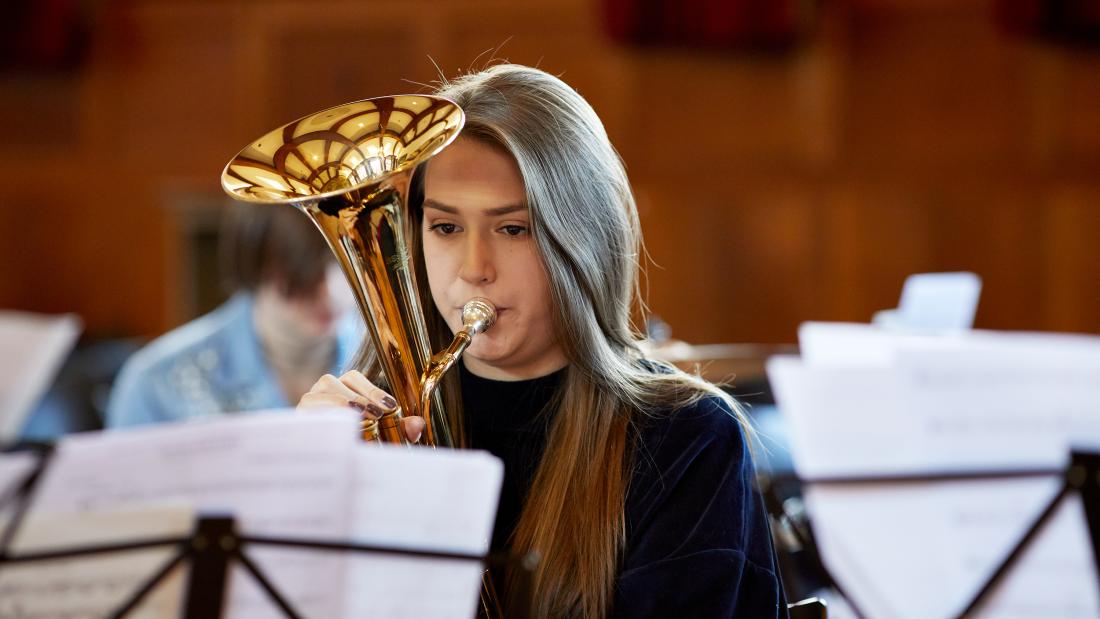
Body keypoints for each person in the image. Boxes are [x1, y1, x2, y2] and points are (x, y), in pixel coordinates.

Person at [299, 64, 788, 617]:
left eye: (513, 229)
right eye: (445, 227)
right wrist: (304, 492)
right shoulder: (371, 427)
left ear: (581, 240)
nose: (473, 270)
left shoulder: (685, 437)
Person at [107, 203, 360, 427]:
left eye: (344, 263)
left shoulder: (389, 359)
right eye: (303, 272)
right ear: (256, 261)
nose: (331, 293)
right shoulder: (156, 384)